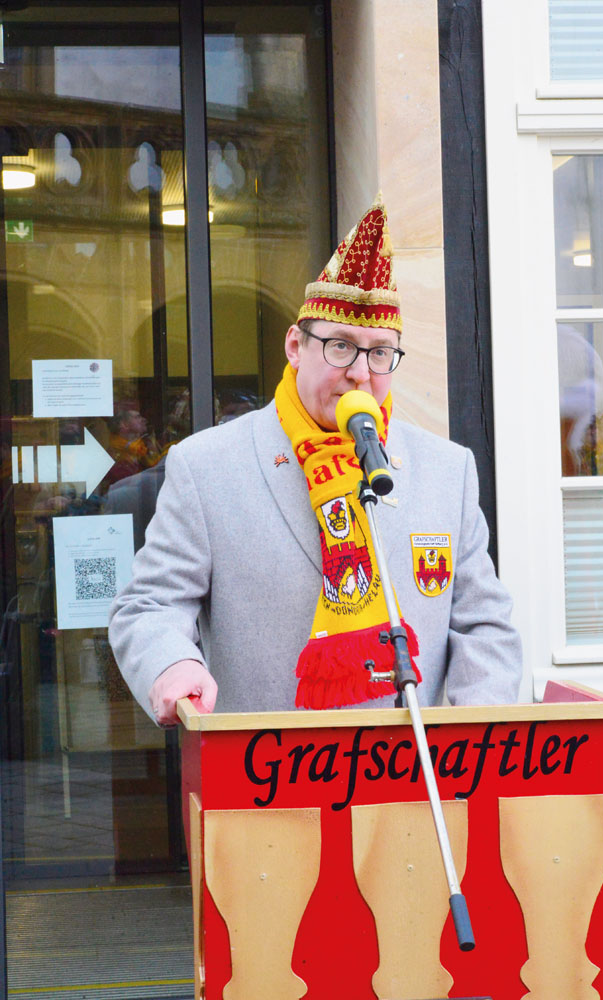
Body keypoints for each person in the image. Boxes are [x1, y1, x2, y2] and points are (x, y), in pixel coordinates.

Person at [109, 195, 522, 726]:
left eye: (379, 353)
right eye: (340, 347)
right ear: (294, 346)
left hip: (413, 780)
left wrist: (470, 731)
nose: (359, 373)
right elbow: (149, 606)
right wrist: (174, 665)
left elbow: (484, 624)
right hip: (266, 780)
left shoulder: (448, 469)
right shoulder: (207, 466)